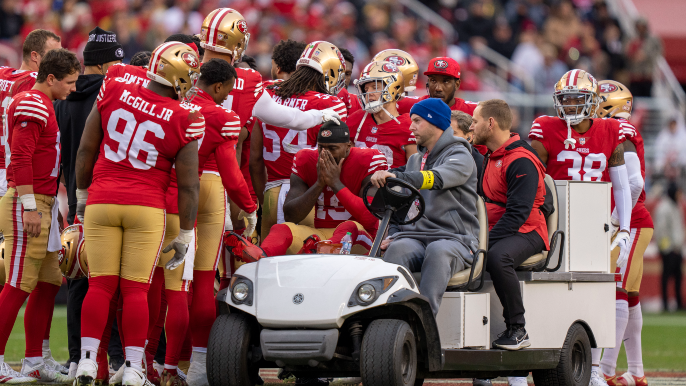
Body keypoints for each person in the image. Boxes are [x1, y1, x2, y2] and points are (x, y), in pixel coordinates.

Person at [72, 42, 204, 386]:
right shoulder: (186, 116)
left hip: (102, 198)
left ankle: (86, 362)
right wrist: (187, 233)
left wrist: (82, 196)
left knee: (99, 287)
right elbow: (189, 185)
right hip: (146, 206)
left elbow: (87, 148)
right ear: (179, 76)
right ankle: (133, 367)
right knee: (134, 291)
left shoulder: (114, 88)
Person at [528, 69, 633, 386]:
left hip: (595, 224)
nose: (572, 104)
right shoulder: (546, 127)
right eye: (566, 99)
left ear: (594, 101)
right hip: (555, 220)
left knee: (600, 293)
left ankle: (596, 368)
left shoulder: (610, 129)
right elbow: (531, 178)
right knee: (541, 290)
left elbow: (622, 185)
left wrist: (624, 229)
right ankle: (521, 368)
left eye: (578, 98)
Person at [165, 58, 256, 386]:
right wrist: (249, 205)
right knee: (204, 282)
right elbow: (231, 173)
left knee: (172, 286)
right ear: (217, 86)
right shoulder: (223, 116)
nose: (225, 97)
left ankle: (162, 364)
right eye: (225, 91)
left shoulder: (175, 103)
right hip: (210, 189)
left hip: (176, 191)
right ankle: (199, 366)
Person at [0, 48, 79, 384]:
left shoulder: (45, 103)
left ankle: (34, 360)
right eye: (70, 82)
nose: (74, 89)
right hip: (27, 202)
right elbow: (20, 157)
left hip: (44, 202)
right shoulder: (33, 101)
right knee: (18, 283)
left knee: (49, 281)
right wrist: (30, 206)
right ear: (50, 78)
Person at [53, 26, 124, 381]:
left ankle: (75, 357)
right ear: (106, 63)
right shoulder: (113, 95)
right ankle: (111, 356)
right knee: (111, 279)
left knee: (77, 279)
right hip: (106, 193)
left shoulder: (61, 98)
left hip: (72, 195)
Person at [371, 98, 480, 315]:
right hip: (416, 237)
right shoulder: (415, 160)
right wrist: (392, 233)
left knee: (438, 251)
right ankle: (386, 321)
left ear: (436, 123)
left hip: (455, 239)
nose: (410, 127)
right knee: (398, 248)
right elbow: (399, 207)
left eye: (417, 121)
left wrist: (400, 177)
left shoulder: (461, 155)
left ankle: (424, 328)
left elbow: (436, 178)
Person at [228, 120, 386, 261]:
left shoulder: (369, 159)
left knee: (349, 226)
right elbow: (290, 215)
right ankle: (261, 256)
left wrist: (335, 183)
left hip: (361, 238)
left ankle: (321, 251)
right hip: (321, 235)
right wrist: (319, 184)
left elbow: (369, 218)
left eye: (333, 148)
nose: (325, 154)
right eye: (321, 148)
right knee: (281, 228)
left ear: (348, 147)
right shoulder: (306, 159)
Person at [249, 40, 348, 244]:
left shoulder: (268, 92)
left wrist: (265, 196)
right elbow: (337, 156)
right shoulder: (331, 104)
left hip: (271, 193)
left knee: (268, 261)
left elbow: (255, 160)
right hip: (308, 196)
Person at [473, 99, 548, 351]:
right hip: (500, 228)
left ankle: (517, 328)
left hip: (529, 231)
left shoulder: (520, 160)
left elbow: (518, 215)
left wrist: (484, 242)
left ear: (490, 123)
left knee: (497, 257)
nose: (472, 127)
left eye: (475, 121)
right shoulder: (490, 156)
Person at [596, 80, 654, 386]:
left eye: (598, 101)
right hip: (633, 222)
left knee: (615, 288)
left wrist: (616, 220)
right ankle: (636, 372)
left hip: (632, 222)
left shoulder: (622, 131)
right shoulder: (617, 129)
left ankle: (604, 369)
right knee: (629, 295)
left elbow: (633, 184)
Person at [1, 29, 61, 200]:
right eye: (54, 54)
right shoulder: (38, 83)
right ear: (35, 56)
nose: (59, 60)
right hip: (15, 175)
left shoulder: (3, 73)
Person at [348, 60, 417, 168]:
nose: (368, 94)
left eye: (375, 87)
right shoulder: (356, 120)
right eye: (366, 89)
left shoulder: (409, 126)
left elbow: (414, 174)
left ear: (394, 88)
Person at [396, 57, 478, 116]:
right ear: (427, 82)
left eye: (446, 81)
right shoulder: (407, 104)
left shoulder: (474, 111)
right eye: (433, 81)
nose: (438, 88)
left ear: (457, 85)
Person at [654, 182, 684, 312]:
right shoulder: (664, 207)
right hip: (669, 249)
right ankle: (665, 304)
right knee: (666, 277)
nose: (680, 195)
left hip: (677, 248)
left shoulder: (676, 206)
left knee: (678, 277)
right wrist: (667, 248)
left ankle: (678, 303)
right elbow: (661, 230)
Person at [451, 110, 484, 178]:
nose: (446, 136)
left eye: (453, 133)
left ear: (469, 137)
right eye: (444, 132)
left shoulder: (480, 164)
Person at [337, 47, 362, 115]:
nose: (343, 78)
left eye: (347, 74)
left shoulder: (358, 103)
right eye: (339, 72)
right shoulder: (314, 101)